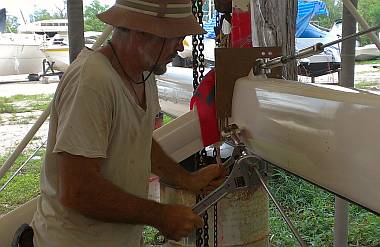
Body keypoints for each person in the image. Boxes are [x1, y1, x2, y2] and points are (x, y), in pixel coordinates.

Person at [30, 0, 226, 246]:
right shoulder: (92, 81)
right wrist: (160, 215)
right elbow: (78, 190)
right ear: (142, 32)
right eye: (176, 36)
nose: (180, 47)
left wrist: (187, 180)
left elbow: (140, 139)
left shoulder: (144, 73)